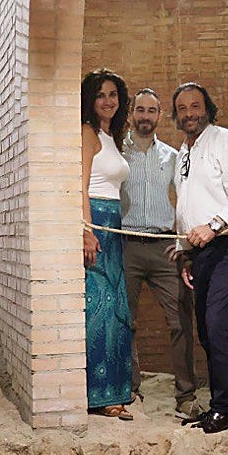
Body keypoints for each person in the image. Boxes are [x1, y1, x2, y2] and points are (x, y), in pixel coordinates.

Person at [170, 82, 228, 434]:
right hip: (200, 253)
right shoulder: (183, 152)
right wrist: (187, 256)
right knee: (205, 330)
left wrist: (214, 227)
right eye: (183, 108)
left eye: (196, 105)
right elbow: (185, 208)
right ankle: (217, 406)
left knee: (217, 325)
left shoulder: (226, 141)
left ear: (208, 108)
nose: (189, 113)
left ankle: (227, 410)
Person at [120, 88, 200, 420]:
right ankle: (128, 390)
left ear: (159, 115)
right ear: (131, 114)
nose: (144, 116)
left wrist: (184, 245)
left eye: (151, 111)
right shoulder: (115, 153)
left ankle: (186, 395)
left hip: (165, 246)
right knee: (124, 322)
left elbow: (185, 201)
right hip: (125, 246)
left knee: (181, 321)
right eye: (139, 110)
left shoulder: (171, 156)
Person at [81, 68, 134, 420]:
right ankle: (97, 394)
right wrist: (86, 230)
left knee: (116, 309)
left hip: (113, 225)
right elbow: (78, 183)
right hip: (96, 222)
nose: (108, 100)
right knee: (98, 307)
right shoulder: (87, 133)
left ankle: (116, 388)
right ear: (90, 99)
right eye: (101, 94)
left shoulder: (111, 135)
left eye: (113, 94)